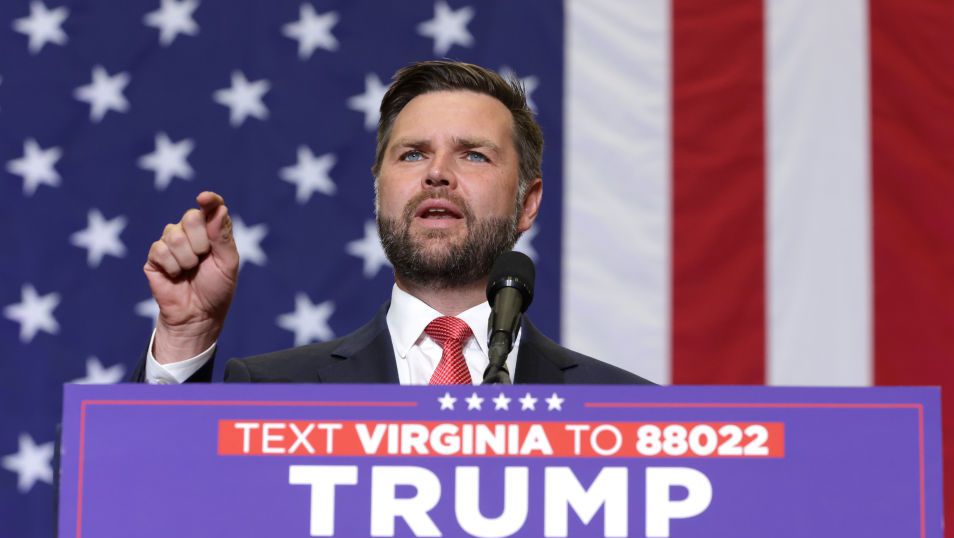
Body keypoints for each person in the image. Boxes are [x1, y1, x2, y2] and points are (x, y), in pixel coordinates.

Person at [134, 61, 649, 386]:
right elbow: (154, 521)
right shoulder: (275, 391)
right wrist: (185, 336)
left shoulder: (621, 408)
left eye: (472, 155)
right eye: (412, 155)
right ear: (379, 188)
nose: (437, 175)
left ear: (528, 202)